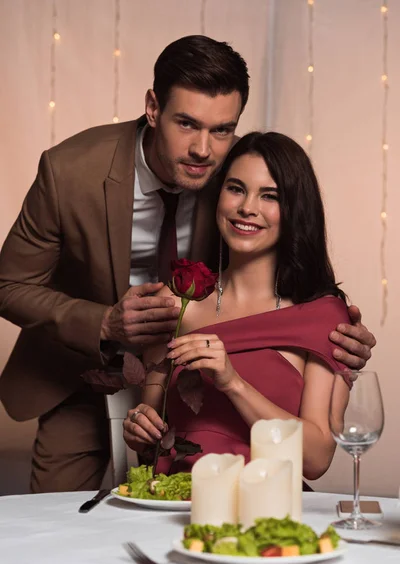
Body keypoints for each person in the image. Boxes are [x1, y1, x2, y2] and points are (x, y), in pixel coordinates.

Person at [0, 36, 374, 493]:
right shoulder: (70, 171)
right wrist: (106, 323)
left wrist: (329, 339)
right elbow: (8, 283)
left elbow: (284, 249)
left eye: (222, 130)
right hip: (81, 365)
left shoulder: (235, 169)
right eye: (186, 124)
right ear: (153, 107)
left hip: (195, 376)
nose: (203, 149)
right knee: (56, 522)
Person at [123, 131, 355, 481]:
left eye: (270, 196)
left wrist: (233, 383)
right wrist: (140, 427)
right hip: (171, 505)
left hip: (265, 507)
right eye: (236, 188)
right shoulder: (176, 304)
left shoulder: (322, 317)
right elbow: (153, 436)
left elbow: (317, 459)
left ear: (295, 210)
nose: (248, 207)